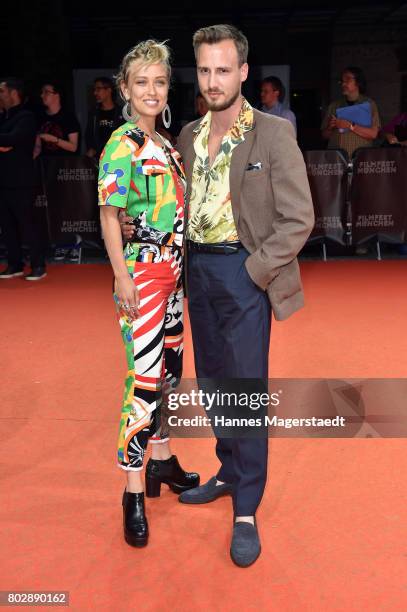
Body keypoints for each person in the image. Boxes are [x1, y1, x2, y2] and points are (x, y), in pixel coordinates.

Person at [122, 24, 314, 567]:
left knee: (245, 391)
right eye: (204, 70)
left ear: (243, 72)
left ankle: (247, 508)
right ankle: (229, 472)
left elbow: (299, 217)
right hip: (195, 276)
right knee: (211, 385)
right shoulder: (184, 135)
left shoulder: (273, 134)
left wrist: (253, 272)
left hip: (244, 272)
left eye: (223, 69)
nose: (212, 80)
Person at [98, 40, 199, 548]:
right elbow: (109, 215)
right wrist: (121, 276)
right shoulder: (122, 145)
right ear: (125, 89)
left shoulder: (167, 146)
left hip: (174, 278)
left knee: (170, 374)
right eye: (142, 82)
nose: (152, 90)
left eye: (160, 81)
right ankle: (133, 491)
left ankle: (161, 462)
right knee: (143, 381)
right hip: (141, 278)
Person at [0, 78, 47, 280]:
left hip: (22, 181)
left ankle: (38, 265)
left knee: (27, 224)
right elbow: (7, 141)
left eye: (2, 91)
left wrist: (7, 143)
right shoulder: (4, 118)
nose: (0, 95)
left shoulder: (26, 117)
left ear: (13, 93)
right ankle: (14, 264)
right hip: (3, 180)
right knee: (7, 225)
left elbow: (13, 140)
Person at [36, 81, 82, 262]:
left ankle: (72, 242)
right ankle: (58, 242)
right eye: (42, 92)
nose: (43, 95)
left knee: (65, 208)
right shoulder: (41, 117)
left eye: (46, 92)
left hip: (65, 170)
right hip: (45, 170)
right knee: (50, 209)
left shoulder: (68, 118)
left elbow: (73, 147)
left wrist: (53, 139)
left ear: (57, 95)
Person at [321, 66, 380, 158]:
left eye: (347, 79)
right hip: (337, 158)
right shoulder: (334, 105)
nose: (343, 84)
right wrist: (329, 127)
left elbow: (373, 134)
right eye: (342, 81)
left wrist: (350, 126)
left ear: (358, 82)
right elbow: (325, 136)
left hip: (360, 158)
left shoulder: (369, 104)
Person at [85, 76, 123, 160]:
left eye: (98, 89)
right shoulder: (94, 113)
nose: (95, 93)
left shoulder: (121, 113)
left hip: (117, 159)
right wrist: (91, 149)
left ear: (109, 90)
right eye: (94, 89)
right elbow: (89, 135)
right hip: (98, 159)